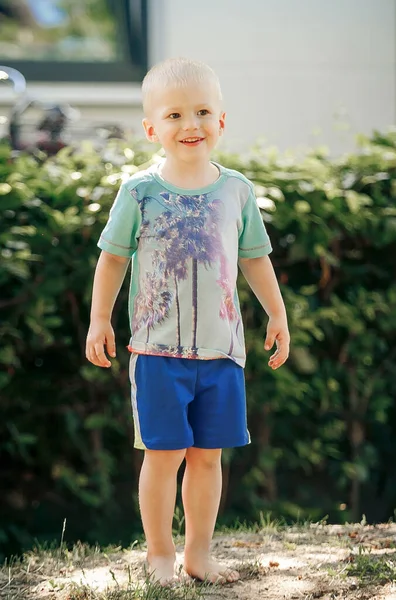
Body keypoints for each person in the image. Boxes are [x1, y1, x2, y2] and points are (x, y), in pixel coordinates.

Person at [86, 57, 290, 585]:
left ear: (222, 121)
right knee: (164, 455)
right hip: (157, 354)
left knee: (206, 458)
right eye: (174, 115)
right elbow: (112, 258)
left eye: (202, 111)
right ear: (152, 129)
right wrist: (99, 320)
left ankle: (198, 553)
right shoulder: (139, 192)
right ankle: (159, 554)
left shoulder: (237, 191)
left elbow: (254, 258)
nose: (190, 124)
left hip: (222, 353)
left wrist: (277, 314)